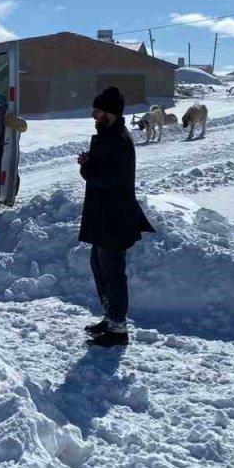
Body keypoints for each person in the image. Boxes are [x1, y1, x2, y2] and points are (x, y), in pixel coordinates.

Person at [77, 86, 154, 347]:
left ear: (110, 113)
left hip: (114, 218)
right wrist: (90, 162)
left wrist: (87, 167)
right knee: (100, 267)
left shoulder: (117, 140)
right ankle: (110, 319)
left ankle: (118, 330)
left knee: (112, 273)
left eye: (98, 112)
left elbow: (107, 178)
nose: (94, 116)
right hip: (105, 216)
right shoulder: (109, 135)